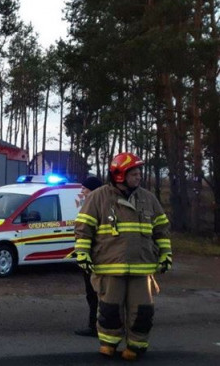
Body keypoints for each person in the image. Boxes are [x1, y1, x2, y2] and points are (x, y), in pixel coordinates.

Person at [74, 153, 172, 361]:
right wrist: (82, 253)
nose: (139, 177)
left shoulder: (148, 199)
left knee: (142, 311)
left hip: (142, 267)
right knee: (110, 309)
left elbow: (161, 230)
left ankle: (136, 347)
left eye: (139, 173)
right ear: (120, 175)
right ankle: (109, 344)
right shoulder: (98, 197)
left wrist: (165, 254)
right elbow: (83, 229)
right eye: (134, 173)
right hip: (110, 266)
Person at [73, 175, 103, 337]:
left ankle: (97, 326)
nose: (81, 191)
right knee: (92, 294)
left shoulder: (97, 208)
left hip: (96, 259)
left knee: (96, 294)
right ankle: (95, 325)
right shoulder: (89, 206)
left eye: (84, 189)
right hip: (90, 258)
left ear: (92, 191)